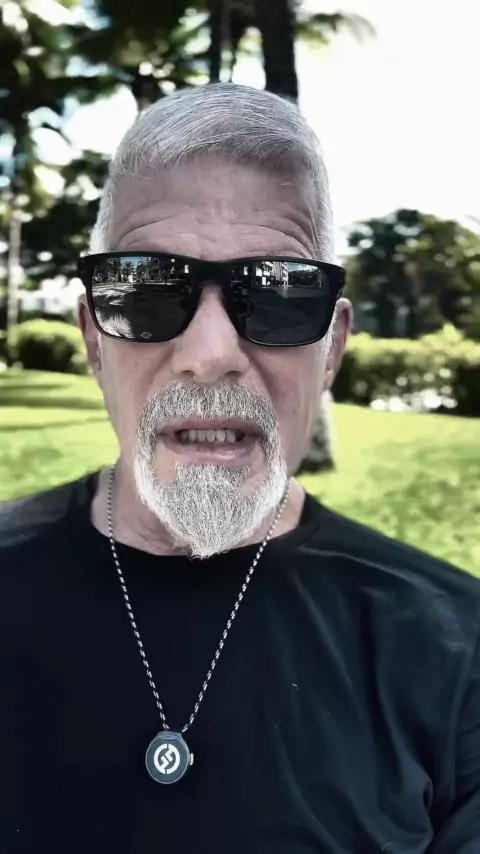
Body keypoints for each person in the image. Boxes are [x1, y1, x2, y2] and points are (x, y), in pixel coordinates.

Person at [0, 83, 479, 854]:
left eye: (279, 294)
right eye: (149, 291)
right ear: (93, 338)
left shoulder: (458, 652)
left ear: (333, 347)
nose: (212, 353)